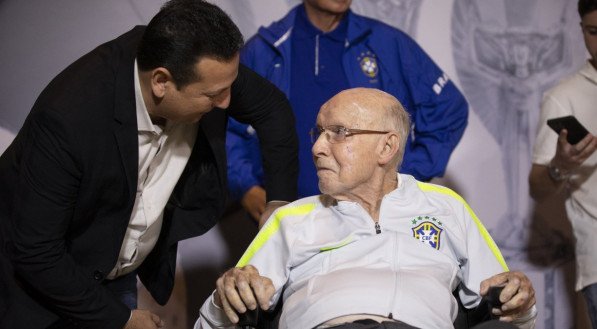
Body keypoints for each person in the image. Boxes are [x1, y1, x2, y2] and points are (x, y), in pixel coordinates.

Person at [0, 1, 298, 328]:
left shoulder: (199, 64)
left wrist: (278, 202)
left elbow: (273, 109)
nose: (226, 103)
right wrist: (122, 318)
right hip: (34, 290)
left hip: (115, 271)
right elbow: (36, 252)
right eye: (213, 96)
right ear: (161, 82)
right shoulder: (68, 119)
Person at [196, 88, 536, 329]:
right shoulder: (291, 219)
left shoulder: (447, 207)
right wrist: (225, 296)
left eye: (338, 133)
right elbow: (216, 320)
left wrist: (520, 302)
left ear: (386, 146)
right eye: (318, 132)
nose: (316, 147)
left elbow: (506, 305)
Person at [226, 0, 469, 224]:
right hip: (291, 219)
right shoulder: (265, 50)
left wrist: (403, 177)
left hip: (375, 220)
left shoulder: (386, 43)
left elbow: (449, 110)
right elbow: (225, 126)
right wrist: (246, 187)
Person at [528, 0, 597, 327]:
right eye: (594, 32)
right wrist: (560, 165)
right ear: (581, 30)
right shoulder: (563, 97)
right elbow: (538, 186)